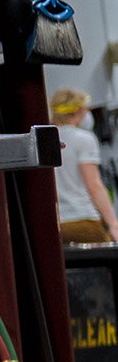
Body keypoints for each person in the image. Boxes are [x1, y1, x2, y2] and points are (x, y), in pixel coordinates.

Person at [50, 88, 116, 247]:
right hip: (83, 220)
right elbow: (94, 185)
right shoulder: (84, 139)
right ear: (79, 110)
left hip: (55, 224)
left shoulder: (46, 139)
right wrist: (113, 224)